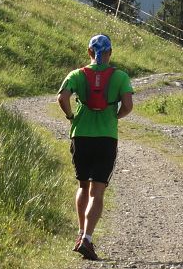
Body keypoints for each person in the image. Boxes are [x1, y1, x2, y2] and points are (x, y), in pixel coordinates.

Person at [57, 33, 134, 261]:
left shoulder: (76, 75)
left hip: (80, 135)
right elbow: (128, 105)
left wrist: (72, 115)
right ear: (110, 53)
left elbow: (62, 98)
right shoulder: (120, 77)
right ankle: (88, 238)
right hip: (106, 136)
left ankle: (81, 233)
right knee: (97, 191)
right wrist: (115, 116)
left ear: (89, 52)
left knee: (83, 185)